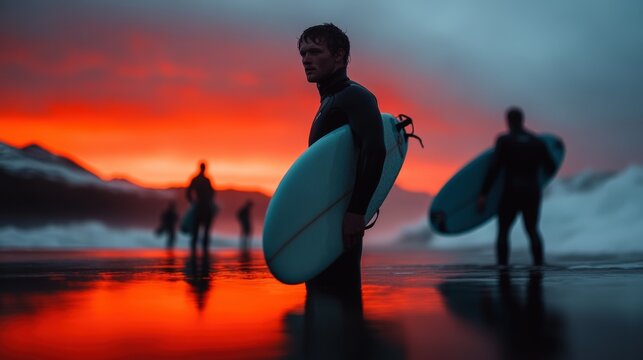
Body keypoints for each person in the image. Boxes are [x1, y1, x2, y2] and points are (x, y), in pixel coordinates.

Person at [298, 23, 386, 292]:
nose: (306, 60)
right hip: (325, 219)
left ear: (338, 56)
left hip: (341, 219)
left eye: (314, 52)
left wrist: (356, 212)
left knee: (339, 292)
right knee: (321, 293)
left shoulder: (354, 96)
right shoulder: (330, 101)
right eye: (302, 54)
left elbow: (375, 150)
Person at [477, 107, 556, 266]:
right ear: (522, 120)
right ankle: (539, 264)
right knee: (532, 230)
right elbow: (551, 167)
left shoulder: (505, 140)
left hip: (511, 191)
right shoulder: (537, 142)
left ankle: (502, 266)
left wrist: (484, 193)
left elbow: (495, 167)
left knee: (504, 231)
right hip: (532, 192)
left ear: (508, 121)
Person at [186, 161, 216, 255]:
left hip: (201, 205)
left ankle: (197, 251)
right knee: (202, 230)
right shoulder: (205, 180)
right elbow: (212, 192)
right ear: (203, 168)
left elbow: (188, 192)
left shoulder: (197, 179)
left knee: (199, 230)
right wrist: (192, 202)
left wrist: (192, 202)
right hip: (203, 205)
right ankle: (201, 250)